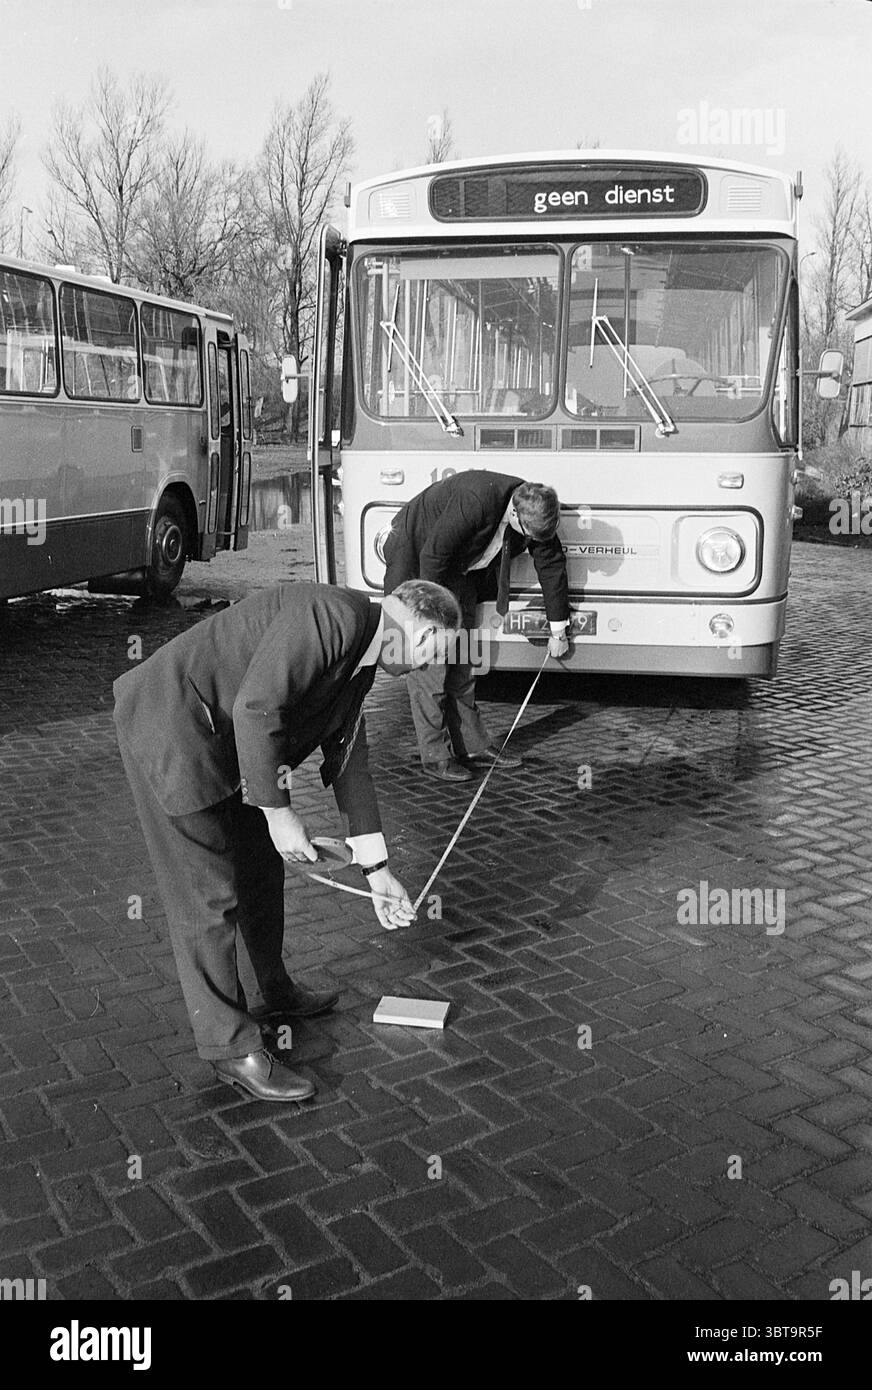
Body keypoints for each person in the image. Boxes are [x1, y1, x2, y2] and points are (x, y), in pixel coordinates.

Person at [113, 579, 461, 1102]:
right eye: (435, 651)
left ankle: (274, 989)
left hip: (234, 747)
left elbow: (349, 764)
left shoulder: (363, 657)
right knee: (208, 895)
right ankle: (231, 1048)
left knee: (260, 866)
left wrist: (378, 871)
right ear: (417, 624)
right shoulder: (336, 616)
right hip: (172, 727)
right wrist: (278, 813)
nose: (430, 666)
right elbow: (258, 707)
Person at [382, 470, 571, 782]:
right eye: (530, 537)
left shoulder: (535, 511)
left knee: (465, 660)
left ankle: (473, 746)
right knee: (433, 665)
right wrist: (433, 620)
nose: (533, 544)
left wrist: (558, 630)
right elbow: (433, 555)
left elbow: (550, 564)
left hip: (458, 570)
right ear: (514, 512)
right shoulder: (477, 500)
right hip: (418, 563)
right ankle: (435, 754)